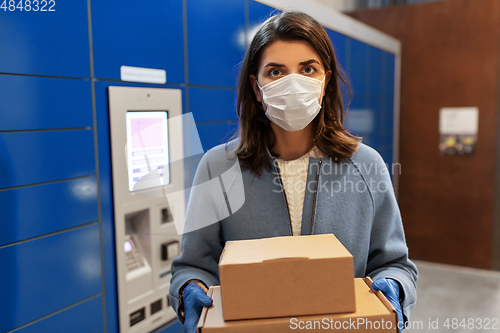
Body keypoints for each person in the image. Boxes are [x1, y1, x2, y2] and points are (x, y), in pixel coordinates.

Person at [169, 11, 418, 333]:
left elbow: (396, 264)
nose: (292, 84)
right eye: (275, 72)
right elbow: (193, 265)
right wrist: (190, 288)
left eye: (307, 69)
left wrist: (393, 287)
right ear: (256, 87)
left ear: (325, 79)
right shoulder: (217, 167)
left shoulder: (366, 166)